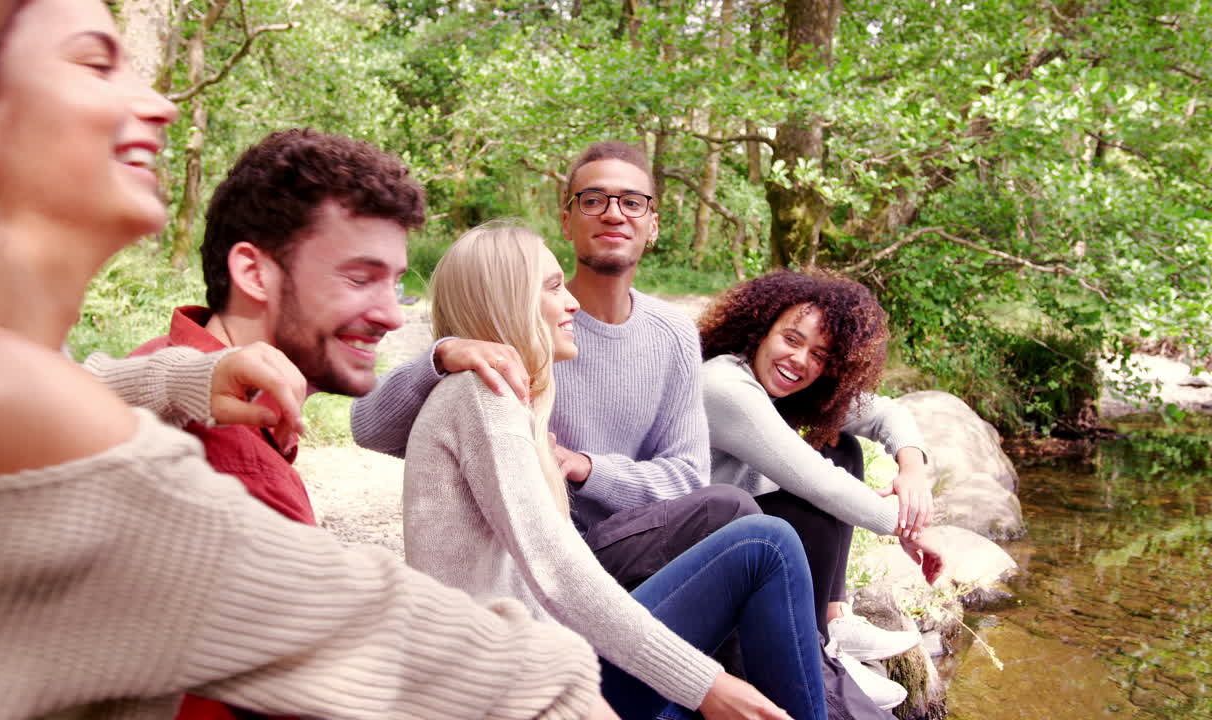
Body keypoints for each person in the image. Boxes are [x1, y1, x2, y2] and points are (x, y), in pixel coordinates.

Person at [0, 1, 612, 717]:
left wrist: (185, 374)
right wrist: (563, 688)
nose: (157, 103)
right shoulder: (9, 401)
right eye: (94, 62)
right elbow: (367, 627)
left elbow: (72, 382)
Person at [402, 221, 827, 720]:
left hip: (541, 664)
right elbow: (557, 569)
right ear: (508, 299)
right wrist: (706, 683)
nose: (572, 303)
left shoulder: (506, 401)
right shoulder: (480, 398)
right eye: (553, 286)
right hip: (508, 690)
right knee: (764, 545)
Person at [353, 141, 758, 590]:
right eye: (593, 200)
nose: (613, 213)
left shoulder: (674, 334)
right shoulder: (528, 320)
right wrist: (441, 356)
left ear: (653, 225)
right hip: (543, 561)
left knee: (750, 526)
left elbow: (687, 476)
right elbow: (369, 427)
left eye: (632, 202)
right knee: (737, 516)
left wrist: (584, 467)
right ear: (567, 222)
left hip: (636, 545)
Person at [127, 128, 433, 719]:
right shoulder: (229, 466)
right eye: (359, 277)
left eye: (396, 283)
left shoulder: (158, 363)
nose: (393, 315)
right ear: (255, 272)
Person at [698, 270, 947, 710]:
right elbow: (817, 481)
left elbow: (884, 412)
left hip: (736, 531)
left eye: (819, 354)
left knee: (842, 444)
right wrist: (904, 526)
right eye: (791, 340)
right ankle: (815, 658)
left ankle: (833, 621)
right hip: (695, 549)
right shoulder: (725, 384)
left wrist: (911, 468)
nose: (800, 361)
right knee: (808, 507)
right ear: (760, 330)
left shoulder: (781, 383)